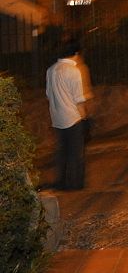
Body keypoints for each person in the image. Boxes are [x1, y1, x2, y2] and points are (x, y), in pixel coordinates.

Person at [45, 40, 93, 190]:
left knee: (62, 152)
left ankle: (61, 181)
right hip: (73, 117)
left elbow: (48, 94)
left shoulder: (51, 70)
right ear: (76, 54)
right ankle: (76, 183)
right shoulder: (73, 71)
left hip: (57, 118)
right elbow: (78, 99)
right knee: (76, 153)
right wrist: (85, 118)